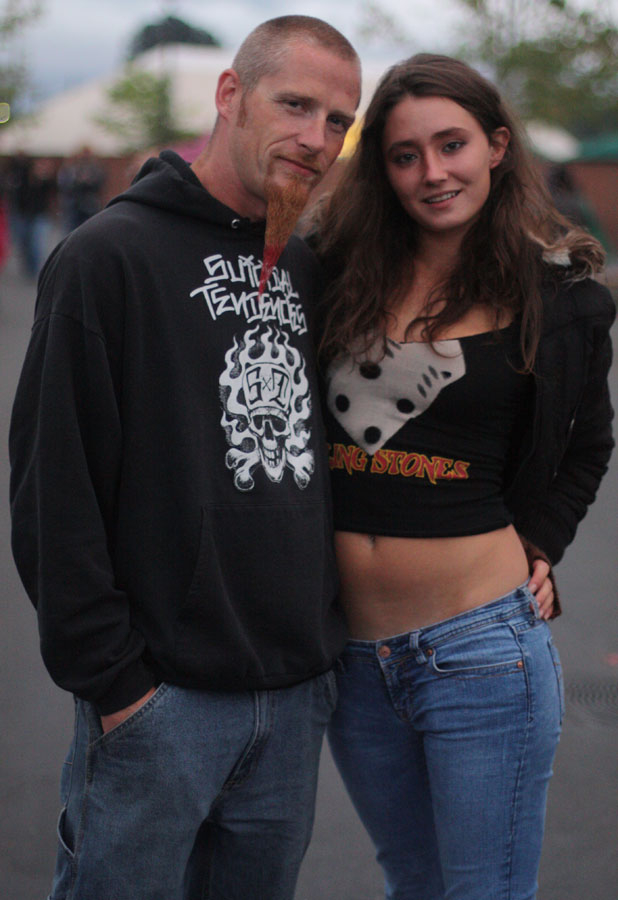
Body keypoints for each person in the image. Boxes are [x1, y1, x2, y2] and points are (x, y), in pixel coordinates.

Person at [9, 16, 360, 900]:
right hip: (159, 704)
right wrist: (119, 687)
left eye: (338, 122)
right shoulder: (106, 258)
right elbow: (54, 490)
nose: (316, 138)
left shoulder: (310, 267)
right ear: (230, 95)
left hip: (292, 697)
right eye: (296, 105)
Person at [315, 54, 614, 900]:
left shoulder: (562, 301)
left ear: (497, 146)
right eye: (405, 154)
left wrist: (544, 542)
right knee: (413, 884)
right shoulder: (332, 274)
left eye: (452, 145)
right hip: (349, 658)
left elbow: (589, 444)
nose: (431, 172)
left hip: (481, 652)